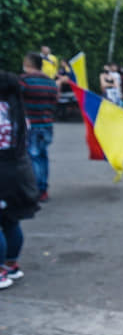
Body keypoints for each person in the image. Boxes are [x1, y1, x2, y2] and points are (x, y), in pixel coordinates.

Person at [0, 71, 40, 290]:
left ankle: (0, 272)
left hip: (2, 170)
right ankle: (11, 264)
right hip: (19, 172)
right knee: (11, 221)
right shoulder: (19, 114)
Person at [20, 52, 57, 203]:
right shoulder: (50, 82)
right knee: (43, 156)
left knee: (33, 157)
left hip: (31, 125)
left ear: (28, 64)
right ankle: (43, 189)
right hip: (47, 125)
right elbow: (54, 103)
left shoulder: (24, 81)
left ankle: (35, 191)